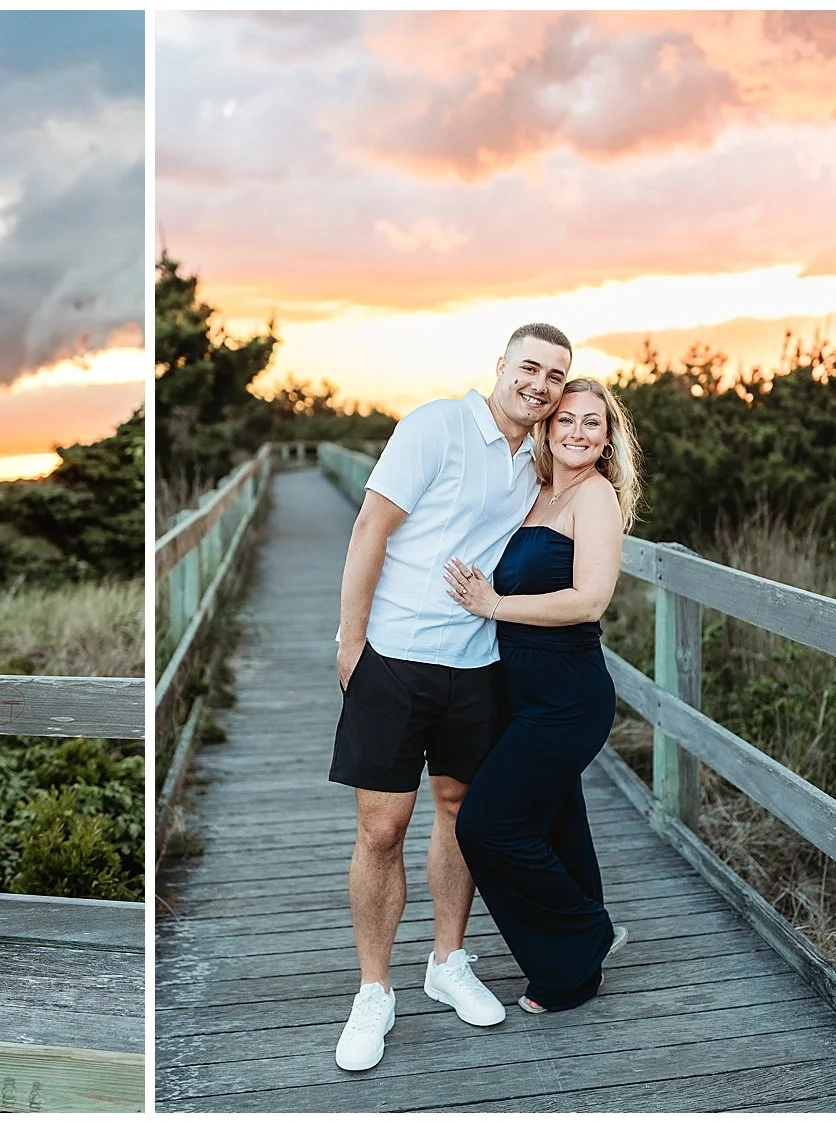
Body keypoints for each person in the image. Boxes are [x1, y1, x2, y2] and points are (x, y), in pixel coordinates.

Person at [329, 323, 572, 1072]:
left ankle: (447, 961)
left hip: (477, 667)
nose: (539, 384)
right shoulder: (434, 425)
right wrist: (350, 641)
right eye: (529, 367)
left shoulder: (537, 459)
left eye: (556, 377)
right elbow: (371, 524)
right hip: (395, 659)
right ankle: (375, 989)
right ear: (500, 366)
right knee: (381, 829)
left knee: (461, 811)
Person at [445, 377, 641, 1013]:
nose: (579, 432)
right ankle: (581, 965)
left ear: (608, 436)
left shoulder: (596, 498)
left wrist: (494, 604)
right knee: (558, 823)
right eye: (567, 420)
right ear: (547, 428)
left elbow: (589, 600)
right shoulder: (535, 494)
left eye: (593, 422)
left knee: (487, 826)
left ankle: (581, 939)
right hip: (518, 691)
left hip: (567, 696)